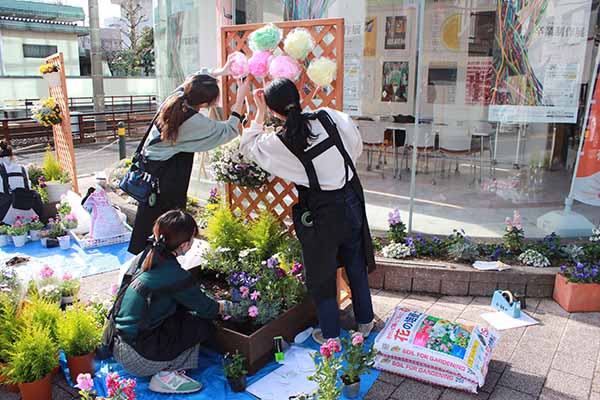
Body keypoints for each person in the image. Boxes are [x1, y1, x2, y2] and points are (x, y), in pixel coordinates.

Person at [239, 79, 375, 344]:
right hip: (350, 199)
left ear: (274, 110)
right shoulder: (329, 116)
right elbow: (355, 145)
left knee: (321, 273)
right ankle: (365, 321)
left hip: (322, 213)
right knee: (355, 263)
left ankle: (330, 334)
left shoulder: (281, 142)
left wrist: (258, 111)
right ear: (299, 96)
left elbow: (247, 147)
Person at [128, 61, 251, 254]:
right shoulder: (193, 122)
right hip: (167, 173)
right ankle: (161, 259)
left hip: (152, 169)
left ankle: (143, 257)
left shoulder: (177, 97)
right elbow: (227, 129)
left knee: (149, 218)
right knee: (169, 220)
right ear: (205, 104)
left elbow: (193, 78)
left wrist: (220, 71)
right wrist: (241, 98)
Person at [112, 210, 230, 394]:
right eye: (192, 239)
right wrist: (227, 306)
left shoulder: (148, 255)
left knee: (180, 312)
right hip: (139, 359)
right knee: (200, 325)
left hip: (119, 344)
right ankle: (167, 375)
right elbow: (207, 309)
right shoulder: (173, 274)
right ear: (184, 245)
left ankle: (164, 365)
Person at [0, 140, 42, 225]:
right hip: (30, 213)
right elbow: (29, 188)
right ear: (12, 156)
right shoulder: (23, 169)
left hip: (7, 217)